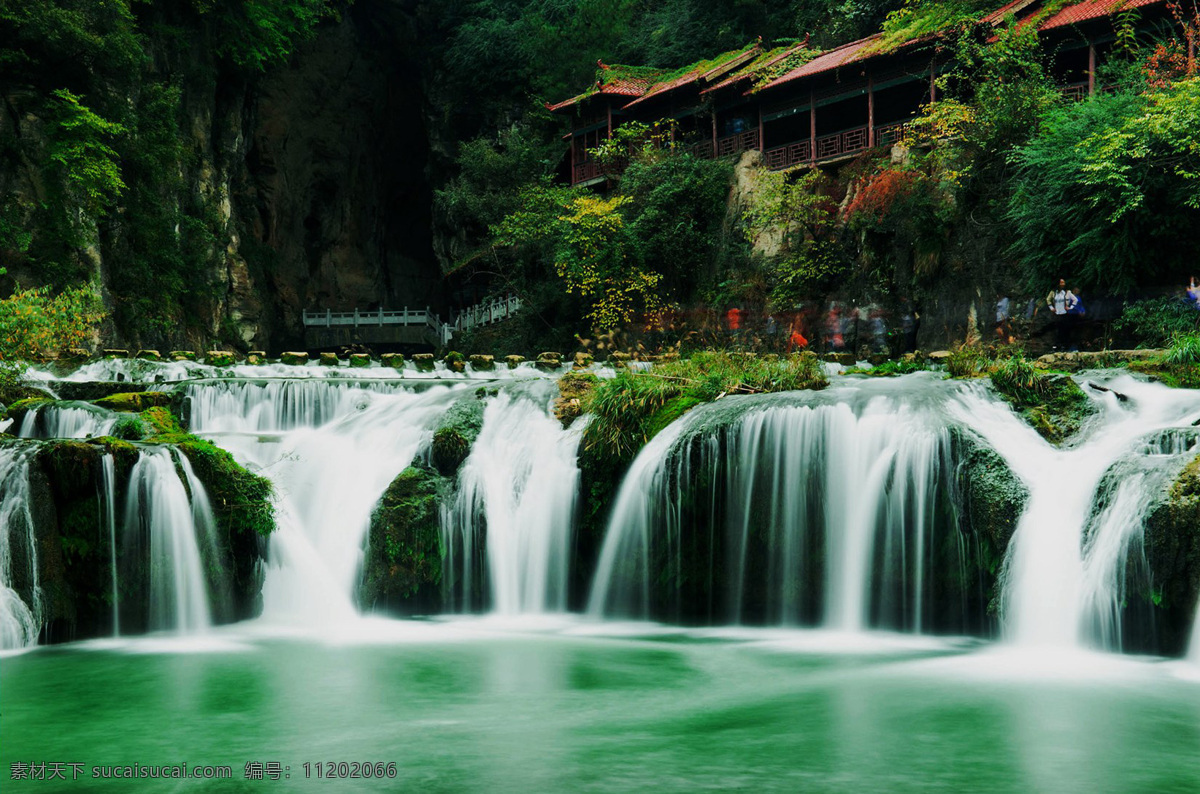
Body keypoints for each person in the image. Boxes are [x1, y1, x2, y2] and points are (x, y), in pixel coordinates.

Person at [1045, 279, 1077, 349]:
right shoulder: (1053, 292)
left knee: (1065, 329)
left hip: (1065, 314)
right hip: (1056, 314)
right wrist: (1051, 308)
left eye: (1063, 283)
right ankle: (1056, 345)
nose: (1063, 284)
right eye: (1061, 283)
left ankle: (1065, 345)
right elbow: (1048, 299)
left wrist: (1070, 307)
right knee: (1057, 330)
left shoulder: (1067, 292)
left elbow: (1075, 299)